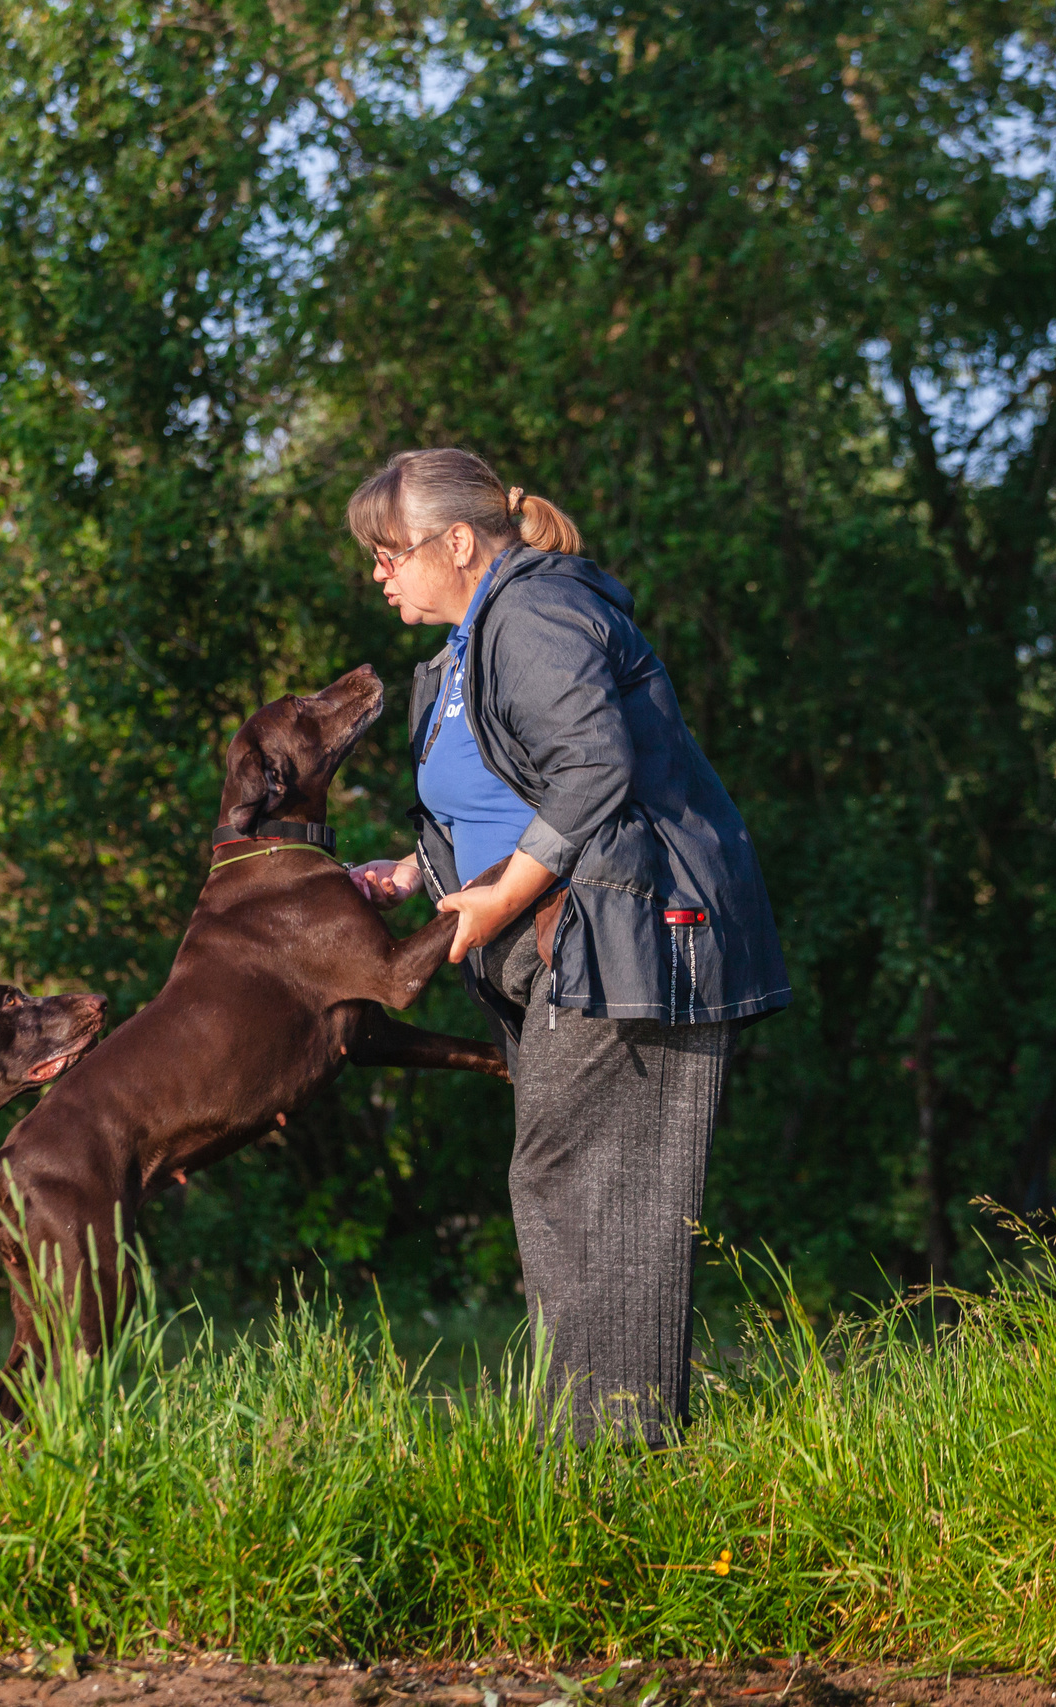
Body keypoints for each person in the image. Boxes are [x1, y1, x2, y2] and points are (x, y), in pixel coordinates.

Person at [345, 447, 790, 1443]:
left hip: (625, 935)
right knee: (561, 1184)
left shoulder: (536, 611)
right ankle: (588, 1455)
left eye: (388, 553)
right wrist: (419, 871)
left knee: (600, 1191)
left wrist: (501, 897)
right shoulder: (460, 647)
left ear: (457, 542)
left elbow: (593, 769)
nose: (378, 574)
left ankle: (618, 1468)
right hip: (562, 941)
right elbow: (507, 790)